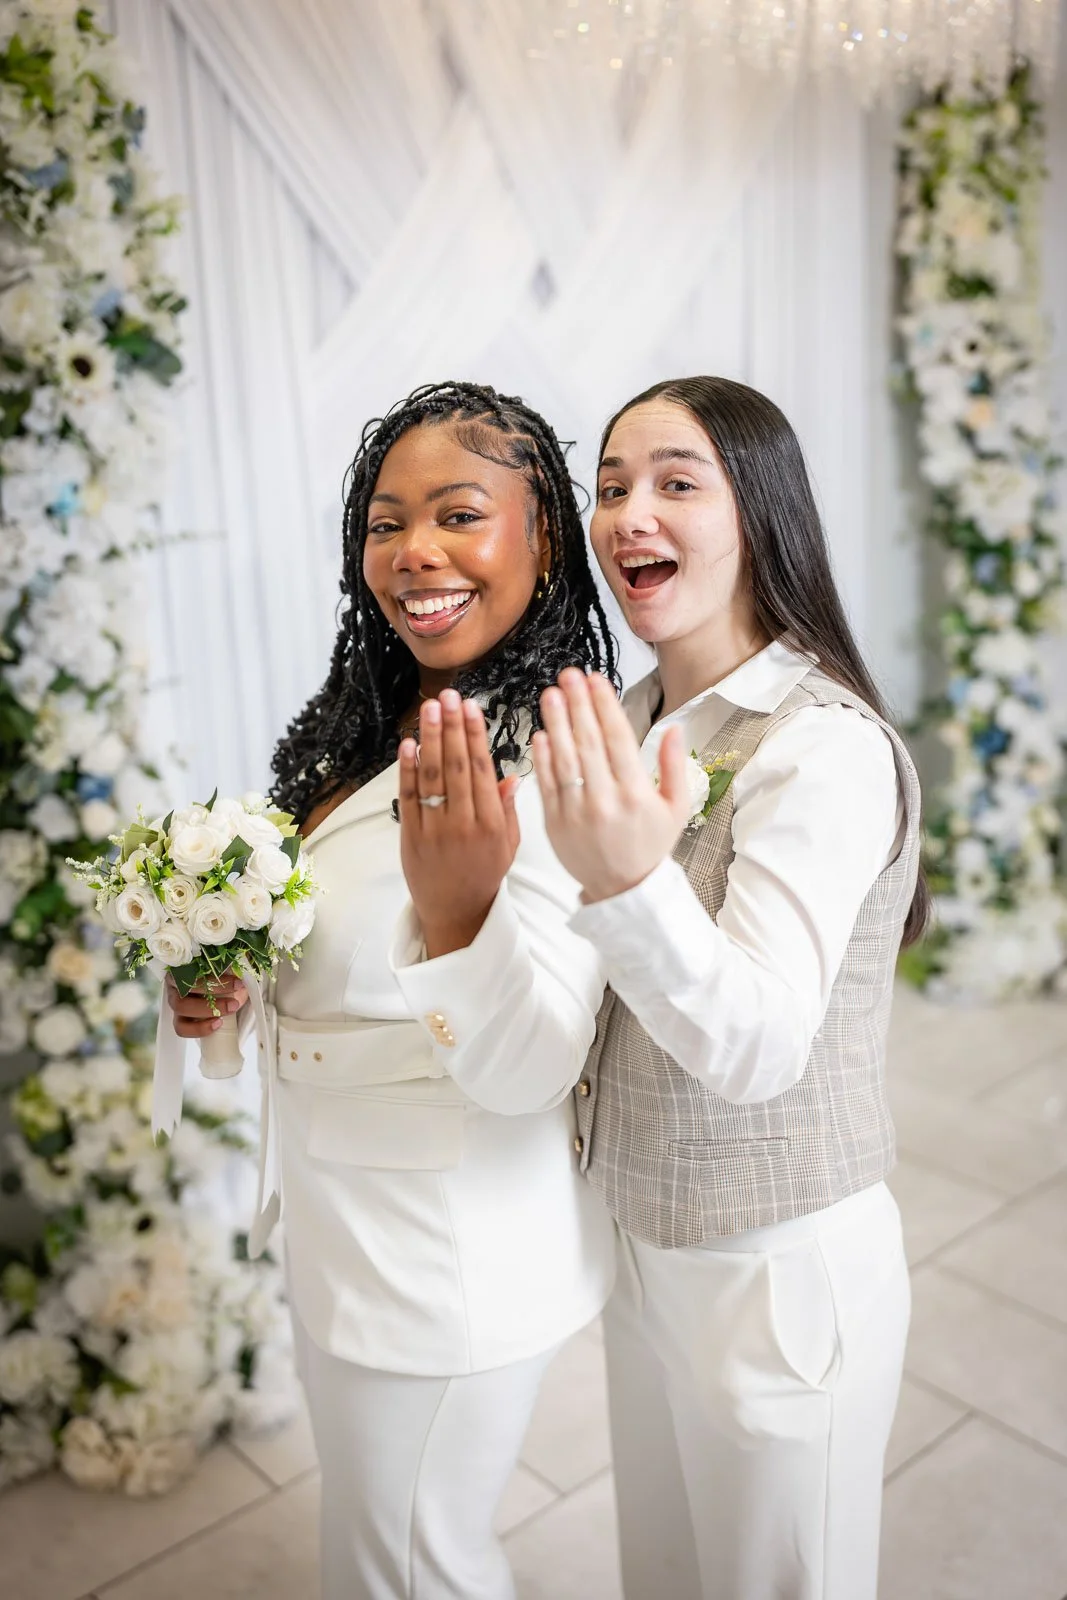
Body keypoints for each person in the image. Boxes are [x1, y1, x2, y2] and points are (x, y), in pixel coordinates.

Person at [165, 381, 618, 1600]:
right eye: (382, 522)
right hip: (338, 1224)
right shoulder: (374, 718)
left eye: (458, 513)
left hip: (441, 1255)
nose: (412, 552)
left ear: (545, 540)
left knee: (414, 1566)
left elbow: (534, 1066)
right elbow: (343, 949)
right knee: (379, 1546)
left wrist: (464, 909)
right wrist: (226, 985)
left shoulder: (562, 756)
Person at [532, 375, 928, 1600]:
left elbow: (758, 1043)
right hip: (646, 1250)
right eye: (608, 487)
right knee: (664, 1574)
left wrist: (622, 879)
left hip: (776, 1278)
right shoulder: (640, 715)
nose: (625, 513)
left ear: (759, 512)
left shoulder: (823, 748)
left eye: (672, 482)